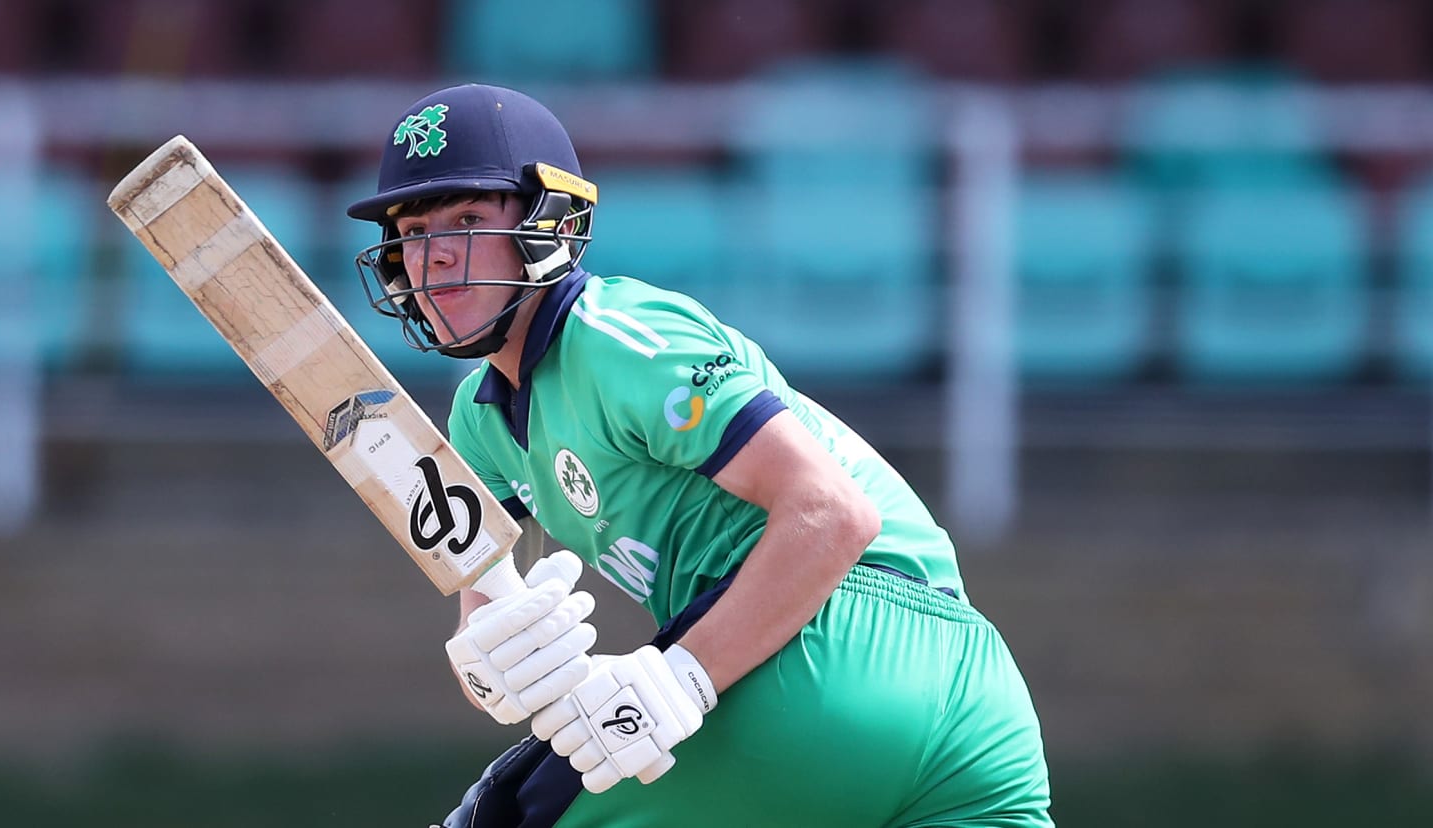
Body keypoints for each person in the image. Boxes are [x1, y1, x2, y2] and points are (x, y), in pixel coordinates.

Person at [346, 83, 1052, 828]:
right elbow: (483, 605)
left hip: (832, 644)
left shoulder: (614, 336)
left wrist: (681, 676)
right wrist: (489, 667)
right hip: (979, 703)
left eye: (468, 218)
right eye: (416, 230)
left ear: (546, 221)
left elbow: (834, 514)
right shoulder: (479, 423)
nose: (436, 256)